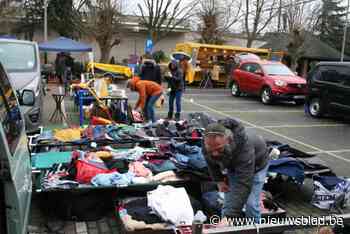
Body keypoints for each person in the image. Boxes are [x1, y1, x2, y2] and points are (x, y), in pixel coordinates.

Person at [202, 119, 270, 223]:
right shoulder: (208, 145)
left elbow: (243, 184)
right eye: (211, 150)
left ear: (228, 141)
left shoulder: (245, 150)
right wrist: (219, 180)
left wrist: (230, 216)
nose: (215, 154)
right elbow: (211, 163)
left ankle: (255, 228)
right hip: (234, 165)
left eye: (219, 149)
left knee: (251, 204)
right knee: (228, 202)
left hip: (257, 167)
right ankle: (226, 227)